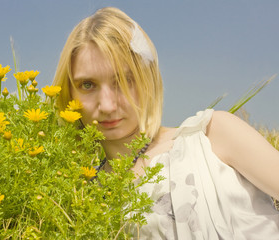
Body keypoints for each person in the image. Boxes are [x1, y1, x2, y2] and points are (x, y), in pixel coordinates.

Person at [52, 7, 279, 239]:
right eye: (88, 85)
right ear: (69, 93)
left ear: (147, 78)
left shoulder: (212, 135)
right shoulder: (81, 196)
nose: (108, 105)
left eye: (123, 80)